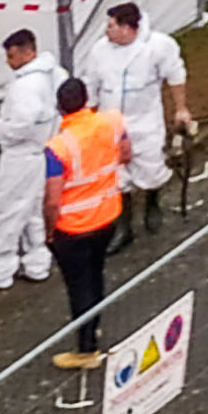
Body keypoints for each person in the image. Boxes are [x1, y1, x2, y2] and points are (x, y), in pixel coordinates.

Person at [78, 2, 192, 249]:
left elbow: (175, 75)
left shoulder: (158, 47)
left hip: (145, 121)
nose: (107, 31)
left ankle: (152, 201)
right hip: (111, 123)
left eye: (112, 26)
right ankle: (123, 226)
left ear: (128, 28)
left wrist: (181, 109)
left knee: (151, 168)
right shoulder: (99, 51)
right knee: (116, 176)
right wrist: (87, 116)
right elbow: (91, 84)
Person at [42, 77, 131, 371]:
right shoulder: (112, 121)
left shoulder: (57, 148)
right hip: (107, 216)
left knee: (78, 286)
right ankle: (94, 327)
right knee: (96, 274)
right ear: (87, 99)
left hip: (74, 228)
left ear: (59, 107)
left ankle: (87, 350)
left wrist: (49, 229)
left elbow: (53, 200)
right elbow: (126, 154)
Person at [0, 28, 65, 289]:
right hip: (40, 153)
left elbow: (19, 127)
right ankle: (37, 264)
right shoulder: (51, 74)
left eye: (12, 56)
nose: (8, 62)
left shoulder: (26, 86)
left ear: (28, 52)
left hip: (20, 157)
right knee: (33, 212)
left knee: (5, 213)